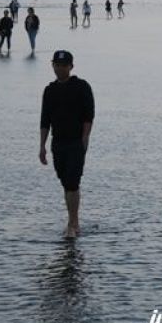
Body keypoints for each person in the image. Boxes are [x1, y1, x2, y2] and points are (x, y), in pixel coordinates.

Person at [39, 50, 95, 239]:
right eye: (57, 65)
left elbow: (89, 115)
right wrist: (42, 146)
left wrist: (85, 138)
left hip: (76, 142)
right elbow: (45, 120)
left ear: (71, 66)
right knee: (65, 182)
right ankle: (72, 219)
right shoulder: (49, 90)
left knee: (72, 181)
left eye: (64, 65)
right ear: (52, 65)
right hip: (58, 142)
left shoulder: (81, 86)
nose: (60, 68)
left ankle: (73, 223)